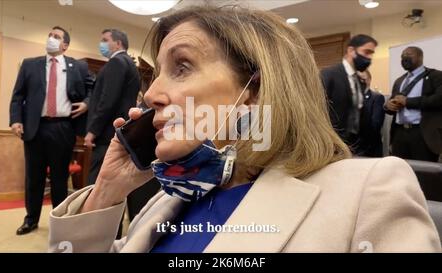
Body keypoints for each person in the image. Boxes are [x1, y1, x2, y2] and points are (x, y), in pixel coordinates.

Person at [49, 6, 440, 252]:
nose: (151, 93)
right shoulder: (167, 199)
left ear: (255, 88)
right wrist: (106, 193)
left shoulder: (370, 188)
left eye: (181, 67)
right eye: (156, 74)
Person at [9, 26, 89, 235]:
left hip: (63, 128)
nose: (51, 39)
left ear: (65, 45)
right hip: (35, 127)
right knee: (33, 177)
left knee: (59, 178)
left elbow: (93, 88)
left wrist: (87, 103)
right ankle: (31, 219)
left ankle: (59, 222)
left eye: (56, 37)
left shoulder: (77, 67)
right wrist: (15, 120)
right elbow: (18, 96)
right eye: (50, 35)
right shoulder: (30, 65)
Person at [84, 29, 141, 185]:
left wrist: (92, 131)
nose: (101, 44)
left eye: (105, 40)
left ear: (117, 43)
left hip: (106, 134)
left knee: (97, 183)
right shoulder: (130, 64)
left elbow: (107, 101)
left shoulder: (117, 62)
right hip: (120, 132)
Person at [321, 34, 377, 154]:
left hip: (355, 146)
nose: (369, 58)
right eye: (367, 52)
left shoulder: (359, 81)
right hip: (332, 145)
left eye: (372, 53)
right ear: (351, 50)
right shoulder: (330, 74)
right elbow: (318, 109)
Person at [385, 46, 442, 162]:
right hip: (399, 134)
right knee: (400, 171)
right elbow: (392, 102)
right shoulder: (399, 80)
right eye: (402, 56)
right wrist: (388, 106)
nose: (404, 58)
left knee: (425, 173)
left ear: (420, 57)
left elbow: (438, 100)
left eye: (409, 55)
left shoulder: (436, 76)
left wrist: (408, 102)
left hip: (422, 134)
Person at [357, 70, 385, 157]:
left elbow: (375, 125)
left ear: (369, 80)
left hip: (369, 149)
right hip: (352, 149)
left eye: (363, 79)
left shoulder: (377, 98)